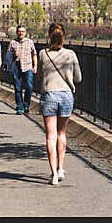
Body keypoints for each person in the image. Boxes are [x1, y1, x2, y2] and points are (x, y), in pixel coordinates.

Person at [37, 22, 81, 185]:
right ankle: (61, 168)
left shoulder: (43, 54)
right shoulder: (70, 54)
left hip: (49, 94)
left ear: (49, 36)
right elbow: (78, 78)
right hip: (65, 95)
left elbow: (40, 75)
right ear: (64, 37)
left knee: (50, 135)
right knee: (62, 134)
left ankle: (53, 174)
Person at [7, 24, 38, 114]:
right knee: (18, 88)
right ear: (17, 32)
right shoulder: (13, 42)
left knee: (29, 86)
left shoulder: (29, 42)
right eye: (19, 31)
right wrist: (13, 54)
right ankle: (19, 106)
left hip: (27, 66)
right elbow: (8, 56)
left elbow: (34, 54)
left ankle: (26, 104)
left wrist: (35, 66)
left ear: (25, 32)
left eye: (22, 31)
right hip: (16, 66)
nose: (21, 33)